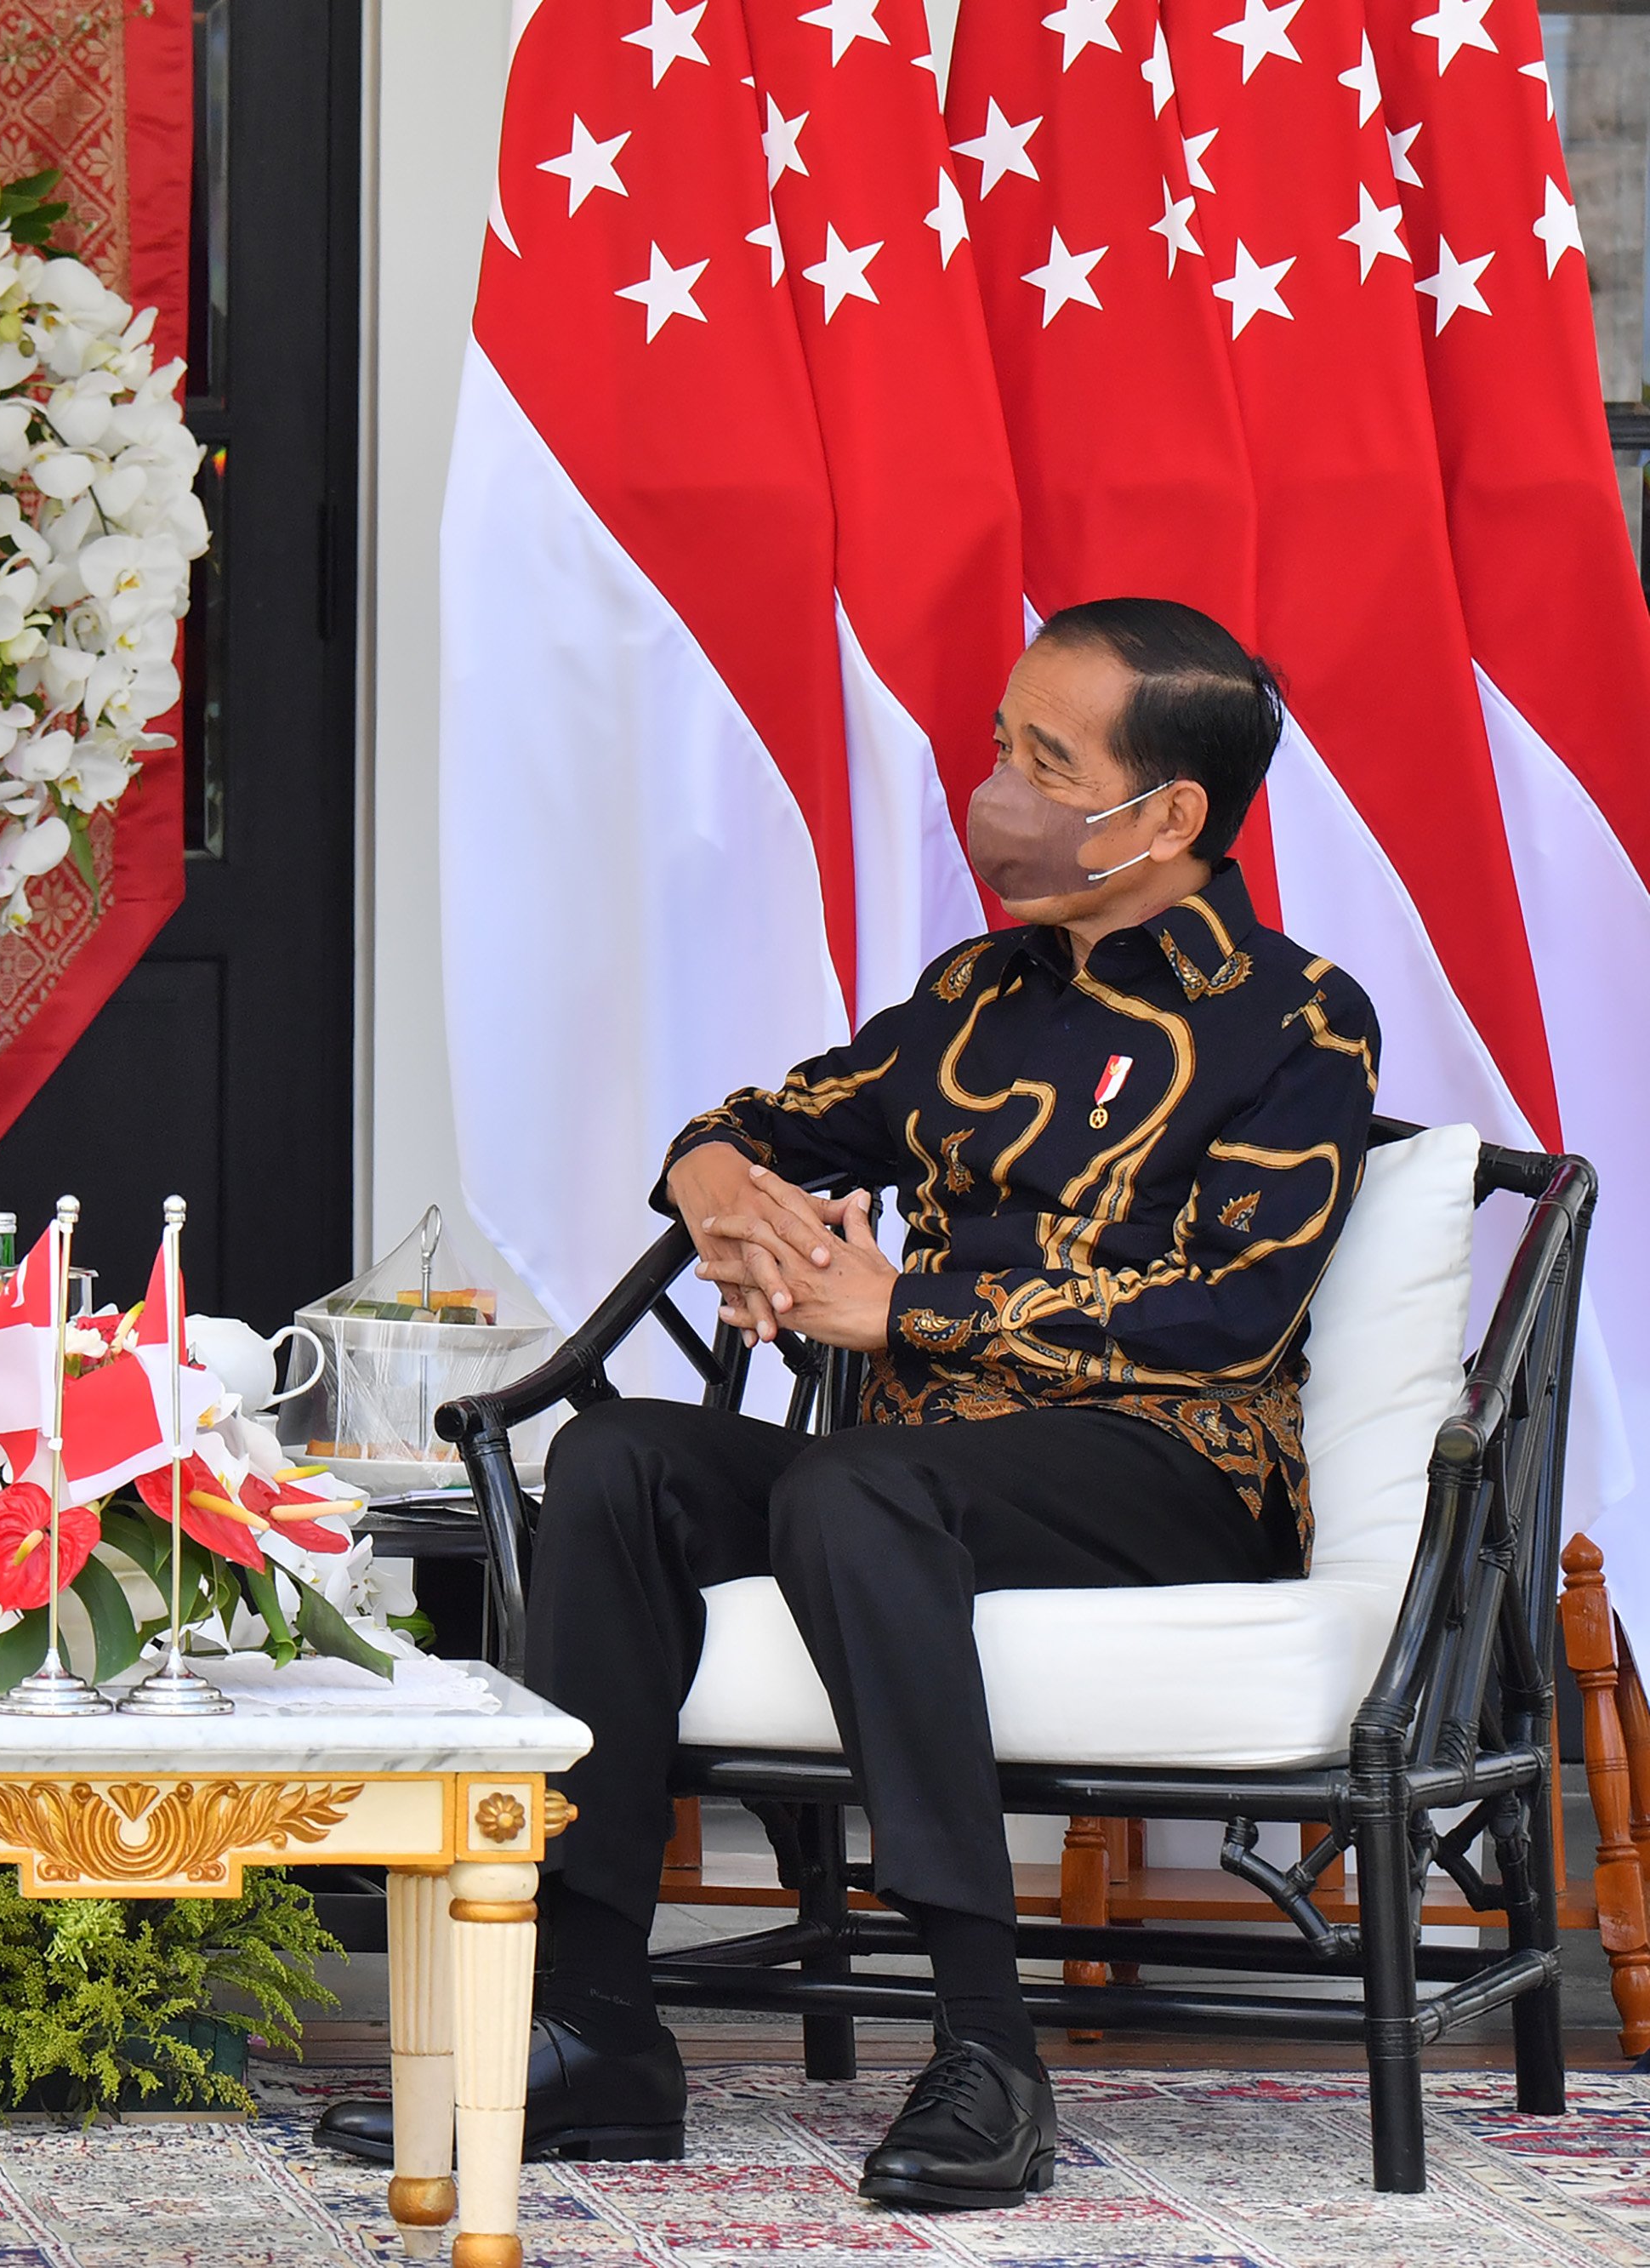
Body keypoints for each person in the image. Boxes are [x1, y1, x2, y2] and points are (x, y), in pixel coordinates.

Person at [319, 599, 1378, 2209]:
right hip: (917, 1481)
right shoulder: (972, 1000)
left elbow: (1229, 1314)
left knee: (849, 1482)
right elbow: (759, 1118)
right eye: (999, 741)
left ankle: (985, 2043)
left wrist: (906, 1306)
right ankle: (594, 2022)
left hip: (1174, 1468)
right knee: (614, 1458)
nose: (995, 786)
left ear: (1168, 816)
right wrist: (724, 1186)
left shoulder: (1297, 1017)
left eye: (1046, 757)